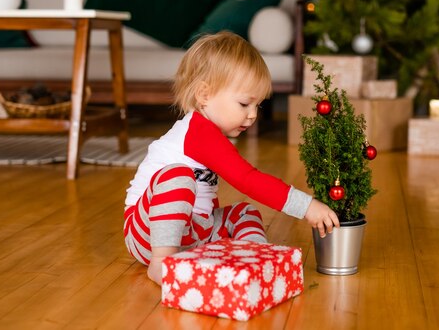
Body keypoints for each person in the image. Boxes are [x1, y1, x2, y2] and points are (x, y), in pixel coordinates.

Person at [123, 31, 340, 284]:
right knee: (178, 177)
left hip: (192, 231)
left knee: (243, 213)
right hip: (149, 233)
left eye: (257, 106)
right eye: (244, 104)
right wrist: (307, 206)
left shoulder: (211, 134)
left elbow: (206, 202)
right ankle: (161, 263)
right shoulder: (199, 132)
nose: (252, 115)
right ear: (204, 96)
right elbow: (247, 179)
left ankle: (253, 260)